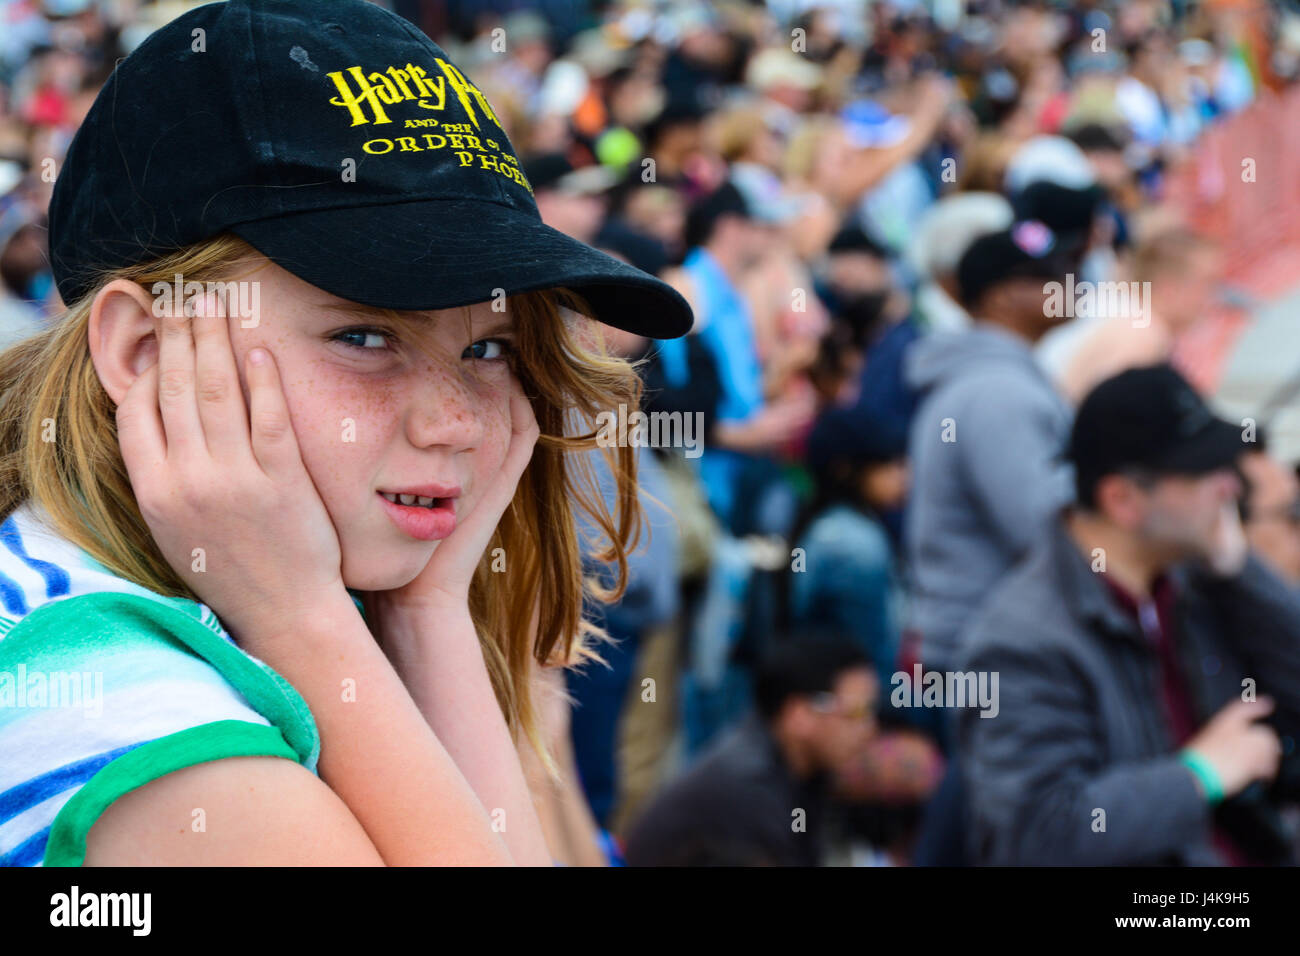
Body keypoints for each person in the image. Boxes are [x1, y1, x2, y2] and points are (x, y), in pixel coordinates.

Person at [0, 0, 693, 867]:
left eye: (487, 347)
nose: (454, 423)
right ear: (144, 350)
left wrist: (427, 610)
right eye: (365, 337)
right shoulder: (127, 718)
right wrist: (301, 617)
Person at [960, 365, 1300, 865]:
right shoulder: (1020, 640)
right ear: (1122, 499)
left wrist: (1240, 572)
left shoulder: (1196, 583)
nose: (1230, 487)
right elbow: (1038, 836)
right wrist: (1197, 776)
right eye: (1204, 471)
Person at [904, 221, 1079, 680]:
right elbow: (1040, 527)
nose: (1069, 284)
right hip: (989, 652)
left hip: (984, 644)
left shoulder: (996, 379)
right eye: (1046, 276)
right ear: (1000, 298)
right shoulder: (999, 392)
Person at [622, 636, 877, 867]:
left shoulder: (798, 770)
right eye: (856, 713)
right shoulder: (747, 787)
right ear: (799, 715)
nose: (869, 729)